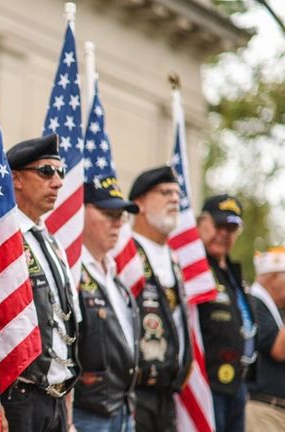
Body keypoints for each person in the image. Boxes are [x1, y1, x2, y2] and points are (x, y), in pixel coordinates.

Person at [1, 134, 80, 432]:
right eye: (46, 171)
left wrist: (68, 414)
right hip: (19, 399)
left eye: (60, 172)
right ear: (16, 179)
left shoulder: (51, 242)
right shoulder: (4, 240)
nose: (58, 181)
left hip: (56, 400)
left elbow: (69, 330)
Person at [127, 166, 192, 432]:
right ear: (139, 203)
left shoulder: (173, 258)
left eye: (177, 194)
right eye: (165, 193)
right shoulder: (127, 252)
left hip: (167, 394)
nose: (174, 200)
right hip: (136, 394)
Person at [73, 177, 140, 432]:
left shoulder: (115, 277)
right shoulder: (72, 272)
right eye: (108, 213)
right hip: (87, 410)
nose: (118, 223)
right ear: (81, 211)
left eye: (121, 215)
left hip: (122, 407)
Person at [196, 194, 256, 432]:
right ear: (202, 223)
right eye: (219, 225)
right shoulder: (195, 268)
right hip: (208, 385)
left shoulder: (233, 273)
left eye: (231, 228)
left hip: (236, 385)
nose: (224, 234)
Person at [247, 247, 285, 431]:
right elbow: (279, 350)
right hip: (264, 409)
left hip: (274, 410)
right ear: (273, 278)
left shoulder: (274, 310)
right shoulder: (254, 303)